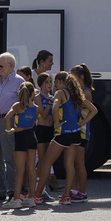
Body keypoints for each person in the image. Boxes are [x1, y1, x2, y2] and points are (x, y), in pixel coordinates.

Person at [41, 70, 86, 204]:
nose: (55, 85)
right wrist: (82, 122)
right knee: (69, 165)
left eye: (56, 82)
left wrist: (56, 124)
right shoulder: (76, 94)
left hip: (63, 132)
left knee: (46, 163)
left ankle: (37, 194)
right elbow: (93, 110)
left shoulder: (60, 93)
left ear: (61, 82)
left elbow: (55, 108)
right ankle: (67, 195)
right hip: (76, 133)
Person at [0, 53, 23, 203]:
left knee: (10, 158)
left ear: (11, 66)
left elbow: (24, 103)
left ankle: (13, 190)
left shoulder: (19, 81)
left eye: (1, 66)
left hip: (7, 121)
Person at [5, 81, 39, 206]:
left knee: (19, 170)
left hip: (20, 138)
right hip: (31, 137)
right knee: (31, 169)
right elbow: (32, 125)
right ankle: (31, 197)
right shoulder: (36, 108)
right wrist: (24, 128)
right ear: (32, 93)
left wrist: (10, 130)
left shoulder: (17, 106)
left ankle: (16, 199)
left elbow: (7, 118)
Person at [69, 63, 97, 201]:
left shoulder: (85, 93)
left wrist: (82, 123)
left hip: (82, 131)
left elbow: (90, 111)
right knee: (74, 162)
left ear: (81, 77)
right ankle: (75, 191)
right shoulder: (80, 91)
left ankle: (82, 192)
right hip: (77, 130)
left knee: (79, 162)